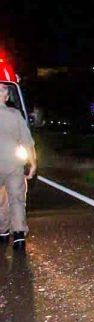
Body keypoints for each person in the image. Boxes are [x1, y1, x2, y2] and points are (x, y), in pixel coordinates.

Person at [0, 83, 36, 251]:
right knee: (16, 199)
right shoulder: (15, 114)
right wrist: (33, 163)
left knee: (1, 201)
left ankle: (3, 233)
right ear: (7, 97)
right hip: (13, 163)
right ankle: (19, 237)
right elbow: (27, 141)